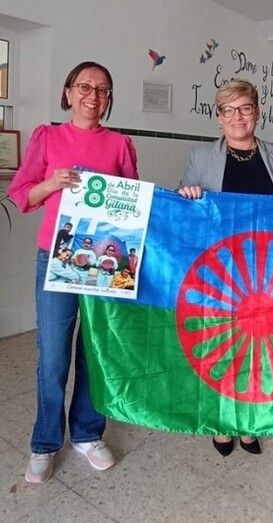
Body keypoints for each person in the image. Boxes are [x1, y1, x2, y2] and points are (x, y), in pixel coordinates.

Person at [8, 61, 138, 483]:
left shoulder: (120, 144)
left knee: (94, 352)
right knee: (53, 355)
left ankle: (87, 434)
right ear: (67, 92)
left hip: (106, 263)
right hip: (56, 258)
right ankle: (45, 442)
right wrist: (52, 184)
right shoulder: (47, 137)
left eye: (102, 90)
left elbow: (133, 204)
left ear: (108, 98)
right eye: (84, 86)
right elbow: (22, 193)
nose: (92, 96)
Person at [178, 79, 273, 456]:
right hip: (220, 271)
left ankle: (249, 422)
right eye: (229, 110)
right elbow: (183, 206)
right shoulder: (201, 156)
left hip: (264, 272)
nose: (238, 117)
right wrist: (188, 194)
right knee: (222, 347)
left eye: (245, 108)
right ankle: (222, 423)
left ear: (257, 113)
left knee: (258, 348)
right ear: (219, 117)